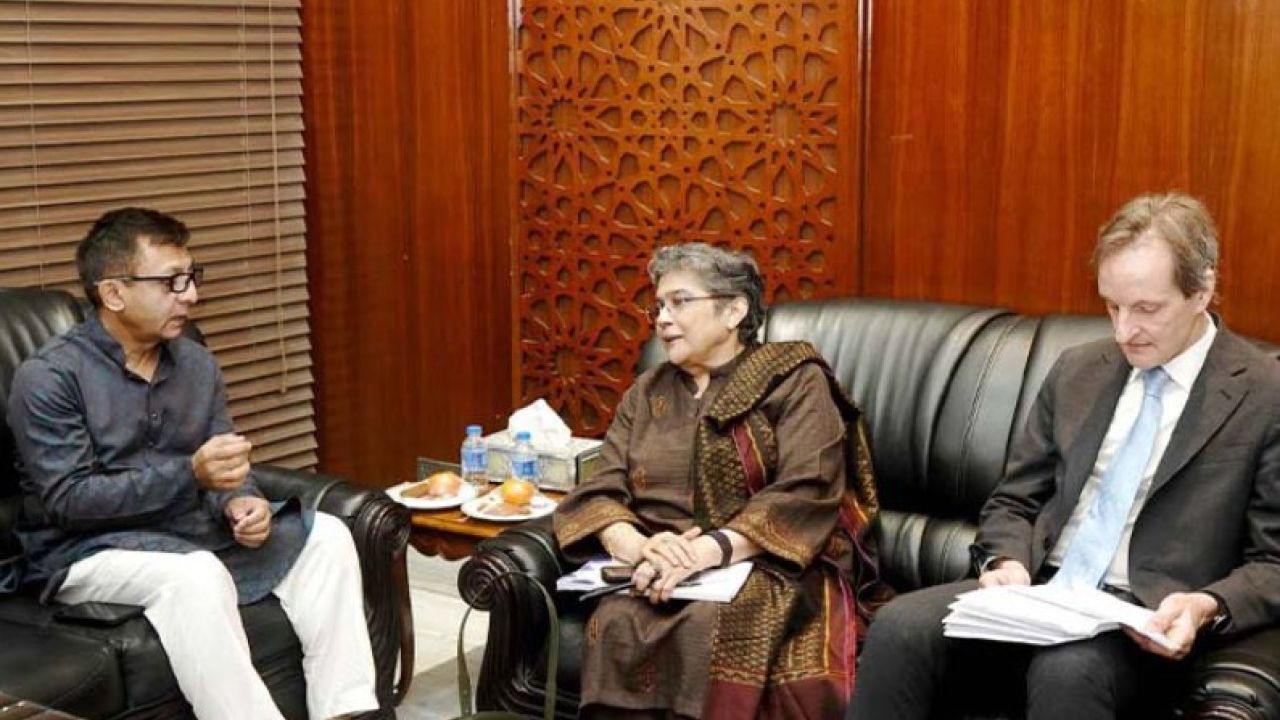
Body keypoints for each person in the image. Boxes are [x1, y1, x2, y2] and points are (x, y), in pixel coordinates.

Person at [850, 192, 1280, 720]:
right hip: (1043, 593)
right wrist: (1005, 561)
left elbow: (1273, 562)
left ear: (1202, 290)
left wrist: (1204, 606)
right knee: (898, 625)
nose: (1124, 331)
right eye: (1112, 306)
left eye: (1146, 309)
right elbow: (1014, 500)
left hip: (1146, 618)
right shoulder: (1078, 369)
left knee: (1068, 669)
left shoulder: (1264, 392)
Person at [7, 208, 378, 720]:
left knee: (327, 537)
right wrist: (190, 476)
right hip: (86, 549)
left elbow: (224, 463)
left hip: (183, 530)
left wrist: (240, 500)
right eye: (172, 282)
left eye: (191, 277)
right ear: (113, 293)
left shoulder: (195, 364)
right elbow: (70, 502)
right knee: (196, 576)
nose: (191, 295)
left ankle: (346, 712)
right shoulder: (49, 377)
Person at [553, 242, 886, 720]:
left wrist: (703, 554)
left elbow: (808, 487)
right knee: (615, 620)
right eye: (658, 306)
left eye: (680, 302)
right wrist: (641, 549)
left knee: (713, 626)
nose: (662, 319)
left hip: (766, 562)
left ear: (734, 311)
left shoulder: (793, 380)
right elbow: (600, 487)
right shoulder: (647, 392)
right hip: (656, 567)